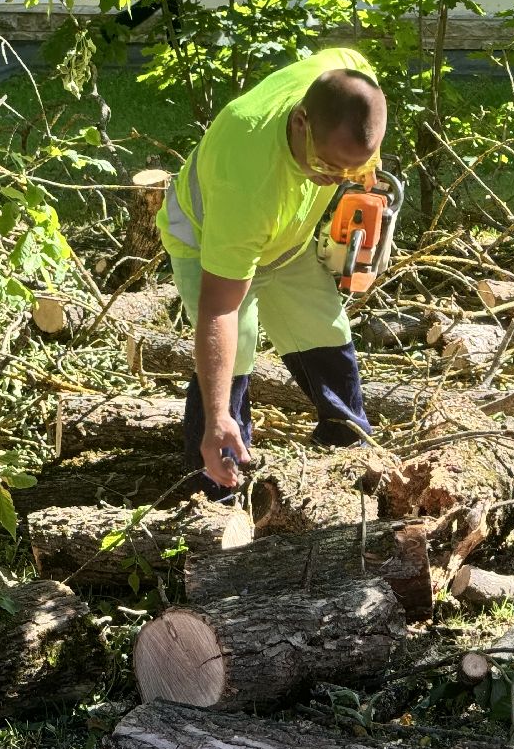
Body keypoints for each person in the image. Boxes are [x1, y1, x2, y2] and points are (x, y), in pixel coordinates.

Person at [156, 47, 388, 496]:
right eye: (326, 166)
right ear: (301, 121)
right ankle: (212, 478)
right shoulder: (245, 175)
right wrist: (219, 412)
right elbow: (220, 309)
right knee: (234, 356)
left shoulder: (349, 77)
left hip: (287, 236)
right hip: (209, 237)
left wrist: (362, 174)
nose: (335, 177)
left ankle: (348, 446)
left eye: (350, 168)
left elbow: (356, 83)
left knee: (325, 330)